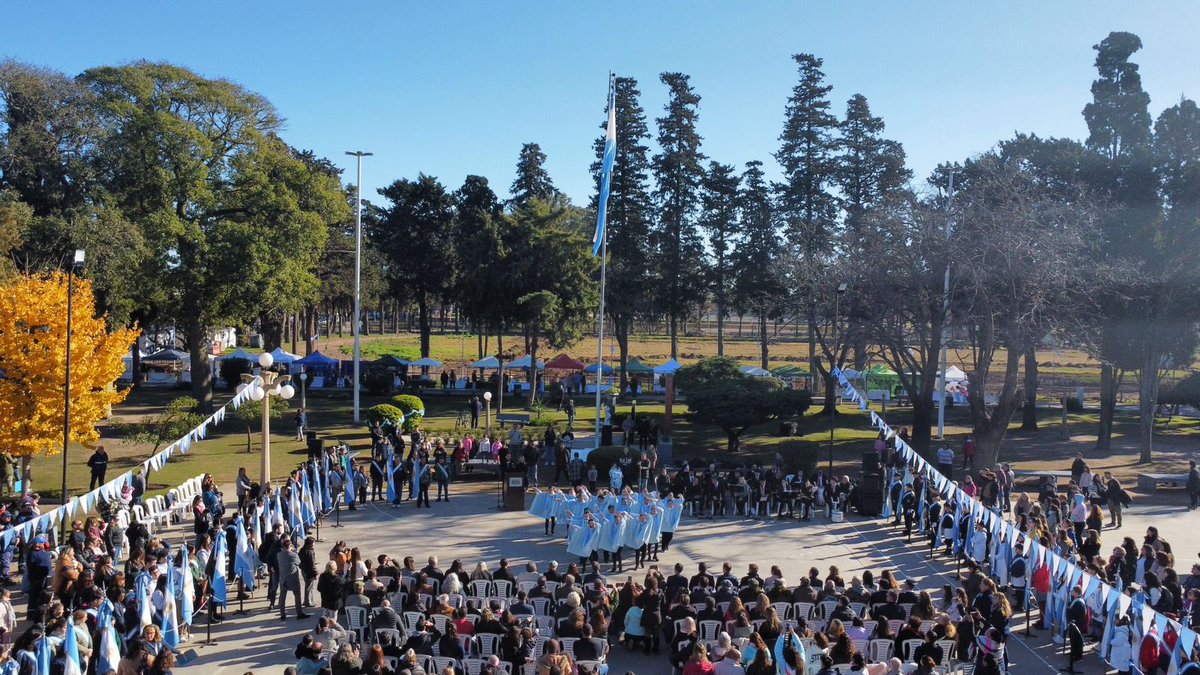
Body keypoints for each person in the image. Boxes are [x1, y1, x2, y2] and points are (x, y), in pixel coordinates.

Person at [278, 538, 309, 621]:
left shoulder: (279, 555)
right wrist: (294, 551)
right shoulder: (293, 555)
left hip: (283, 579)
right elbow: (299, 563)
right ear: (290, 546)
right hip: (292, 578)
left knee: (282, 597)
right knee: (297, 596)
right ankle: (299, 613)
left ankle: (282, 614)